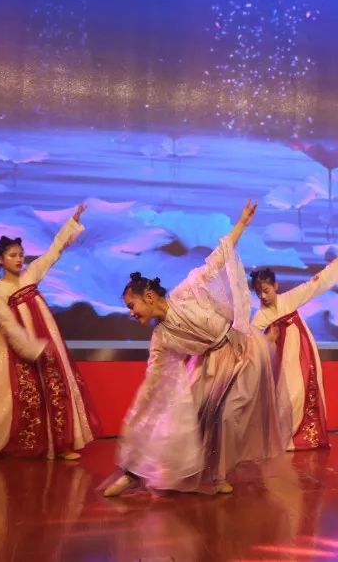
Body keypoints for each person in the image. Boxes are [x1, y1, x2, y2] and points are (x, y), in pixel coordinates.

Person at [104, 200, 282, 497]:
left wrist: (241, 223)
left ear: (149, 296)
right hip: (211, 361)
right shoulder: (161, 338)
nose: (131, 313)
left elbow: (217, 259)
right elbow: (154, 377)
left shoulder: (187, 291)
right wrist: (142, 409)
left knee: (228, 415)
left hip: (243, 349)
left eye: (132, 306)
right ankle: (134, 474)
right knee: (188, 418)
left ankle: (220, 475)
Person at [0, 203, 100, 461]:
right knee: (27, 396)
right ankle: (35, 444)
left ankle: (63, 445)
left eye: (21, 254)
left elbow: (54, 251)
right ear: (0, 260)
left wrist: (72, 222)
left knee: (56, 388)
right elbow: (8, 324)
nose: (19, 259)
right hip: (22, 349)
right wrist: (31, 347)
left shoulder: (31, 274)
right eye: (12, 255)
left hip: (47, 338)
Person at [250, 246, 338, 451]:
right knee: (283, 398)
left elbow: (315, 284)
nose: (263, 296)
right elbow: (251, 342)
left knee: (298, 394)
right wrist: (266, 339)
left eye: (266, 291)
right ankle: (282, 438)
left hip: (300, 355)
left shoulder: (289, 299)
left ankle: (295, 437)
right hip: (278, 361)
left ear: (275, 286)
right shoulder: (259, 317)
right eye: (259, 293)